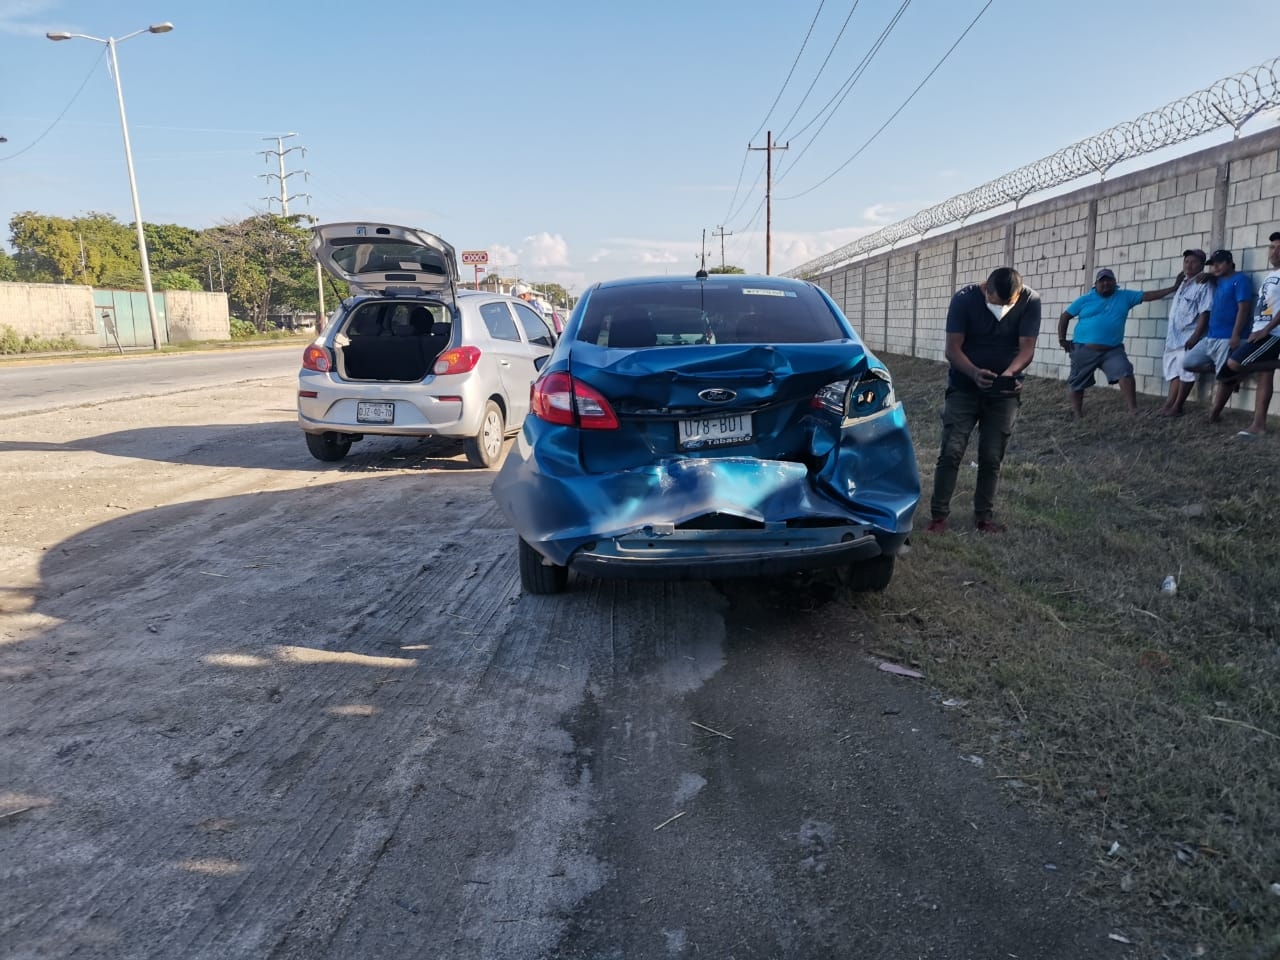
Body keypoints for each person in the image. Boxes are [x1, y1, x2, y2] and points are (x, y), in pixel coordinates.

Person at [927, 267, 1041, 534]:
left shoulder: (1030, 301)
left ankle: (983, 517)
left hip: (1003, 395)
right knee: (951, 451)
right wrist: (974, 373)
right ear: (986, 289)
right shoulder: (964, 299)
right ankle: (939, 516)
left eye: (1008, 305)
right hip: (964, 389)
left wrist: (1010, 374)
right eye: (996, 303)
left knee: (991, 456)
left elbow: (1027, 348)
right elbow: (952, 349)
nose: (1001, 310)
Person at [1056, 268, 1183, 417]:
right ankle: (1077, 413)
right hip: (1084, 349)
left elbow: (1148, 295)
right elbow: (1065, 317)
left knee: (1125, 371)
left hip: (1112, 350)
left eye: (1109, 280)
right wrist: (1062, 340)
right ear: (1095, 284)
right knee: (1077, 381)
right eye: (1102, 281)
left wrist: (1174, 288)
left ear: (1114, 283)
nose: (1105, 283)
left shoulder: (1124, 296)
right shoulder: (1085, 299)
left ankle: (1133, 409)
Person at [1216, 231, 1280, 436]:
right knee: (1264, 376)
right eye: (1272, 247)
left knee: (1234, 364)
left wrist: (1266, 329)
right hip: (1260, 330)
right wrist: (1258, 327)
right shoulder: (1272, 275)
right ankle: (1259, 425)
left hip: (1273, 333)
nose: (1274, 252)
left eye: (1279, 248)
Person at [1183, 249, 1255, 424]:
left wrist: (1236, 335)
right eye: (1213, 264)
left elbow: (1243, 308)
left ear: (1230, 262)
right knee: (1188, 363)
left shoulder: (1241, 280)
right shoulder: (1218, 280)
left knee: (1223, 379)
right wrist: (1209, 276)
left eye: (1220, 262)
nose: (1216, 266)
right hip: (1211, 338)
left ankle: (1214, 415)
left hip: (1227, 338)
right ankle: (1233, 373)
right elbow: (1209, 276)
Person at [1158, 249, 1213, 417]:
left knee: (1186, 373)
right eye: (1186, 261)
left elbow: (1205, 312)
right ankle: (1169, 404)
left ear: (1202, 265)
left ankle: (1178, 406)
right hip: (1173, 337)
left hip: (1188, 337)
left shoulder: (1204, 284)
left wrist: (1196, 336)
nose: (1189, 265)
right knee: (1173, 372)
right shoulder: (1183, 282)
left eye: (1194, 262)